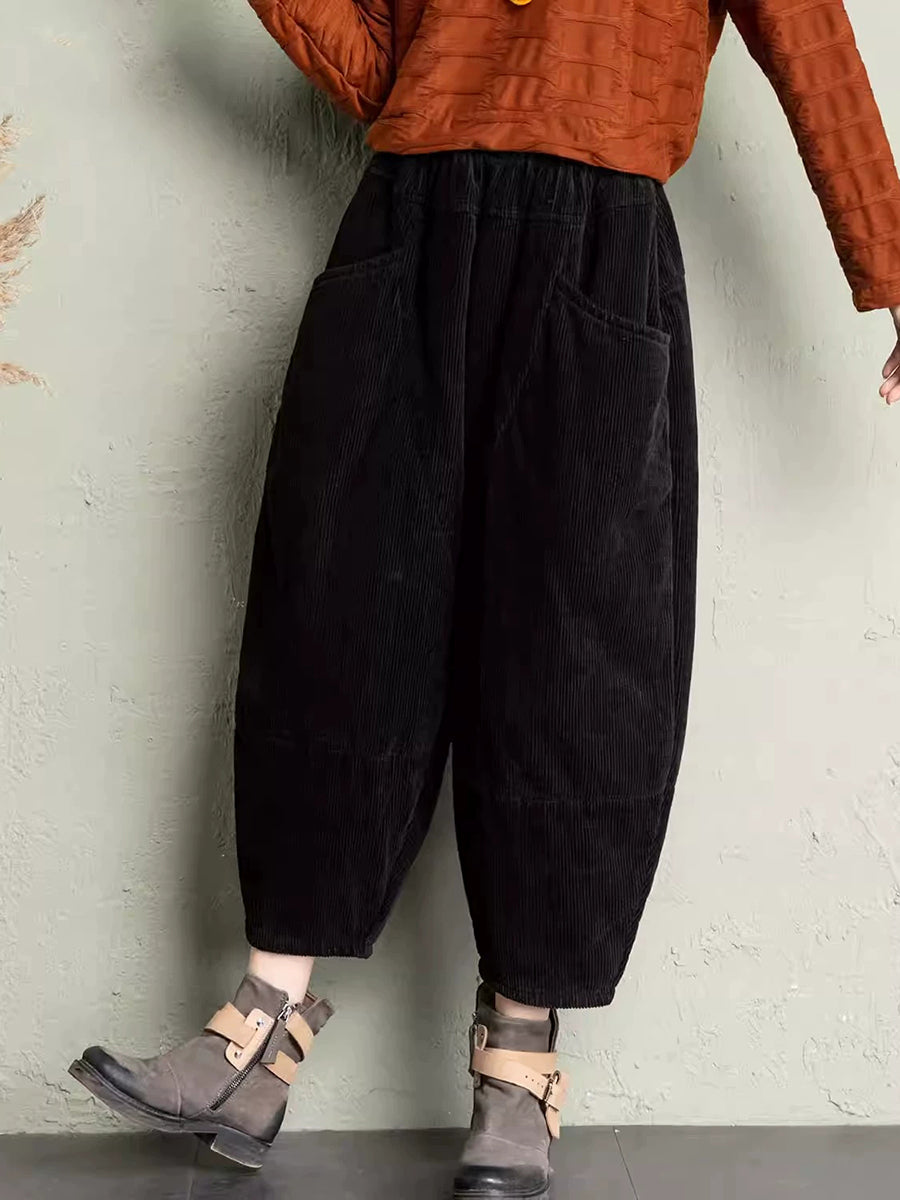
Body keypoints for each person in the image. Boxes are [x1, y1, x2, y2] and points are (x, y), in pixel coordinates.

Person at [70, 0, 900, 1195]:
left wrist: (889, 267)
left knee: (575, 655)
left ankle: (519, 1060)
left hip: (602, 243)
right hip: (408, 223)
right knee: (337, 615)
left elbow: (811, 42)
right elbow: (382, 70)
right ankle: (257, 1029)